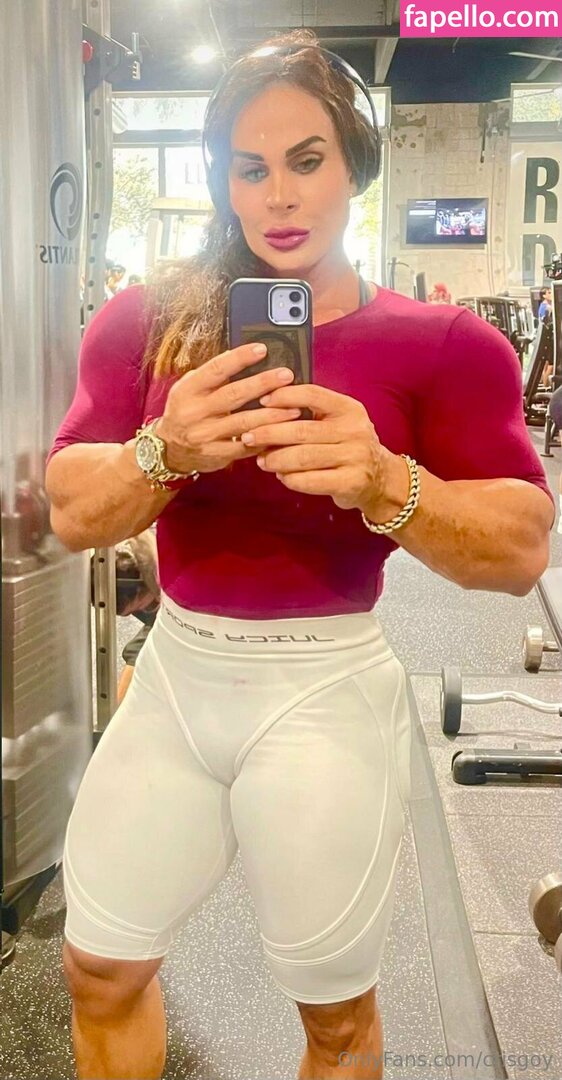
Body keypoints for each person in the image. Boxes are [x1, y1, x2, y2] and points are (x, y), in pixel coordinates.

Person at [45, 30, 555, 1080]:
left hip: (323, 690)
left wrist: (383, 482)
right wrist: (164, 449)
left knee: (332, 1020)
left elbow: (518, 549)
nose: (278, 194)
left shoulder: (442, 344)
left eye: (306, 160)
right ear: (222, 181)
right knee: (98, 970)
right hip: (176, 677)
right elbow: (71, 510)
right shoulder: (150, 324)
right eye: (250, 167)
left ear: (353, 166)